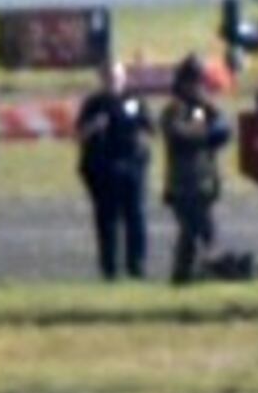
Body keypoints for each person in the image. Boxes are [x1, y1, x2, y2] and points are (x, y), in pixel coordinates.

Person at [75, 56, 154, 281]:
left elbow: (150, 128)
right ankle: (109, 270)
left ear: (124, 77)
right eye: (108, 77)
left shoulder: (135, 101)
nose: (113, 81)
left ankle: (136, 266)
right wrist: (93, 126)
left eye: (117, 77)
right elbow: (79, 134)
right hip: (103, 168)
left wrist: (142, 139)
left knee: (136, 217)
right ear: (101, 78)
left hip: (132, 166)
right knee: (107, 220)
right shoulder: (93, 104)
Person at [159, 57, 233, 285]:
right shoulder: (175, 110)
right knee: (196, 231)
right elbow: (180, 134)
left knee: (196, 233)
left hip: (204, 180)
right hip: (183, 183)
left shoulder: (199, 110)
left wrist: (207, 111)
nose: (198, 88)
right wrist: (205, 134)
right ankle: (192, 273)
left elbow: (222, 129)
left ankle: (185, 276)